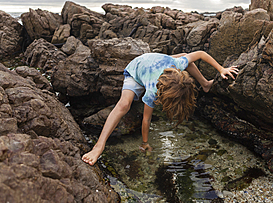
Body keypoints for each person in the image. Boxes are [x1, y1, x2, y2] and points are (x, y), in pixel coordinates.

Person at [82, 51, 238, 165]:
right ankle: (99, 145)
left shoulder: (177, 65)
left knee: (187, 58)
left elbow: (201, 54)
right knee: (124, 105)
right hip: (135, 70)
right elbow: (146, 119)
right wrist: (145, 142)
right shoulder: (151, 91)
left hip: (156, 59)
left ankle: (205, 84)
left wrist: (221, 69)